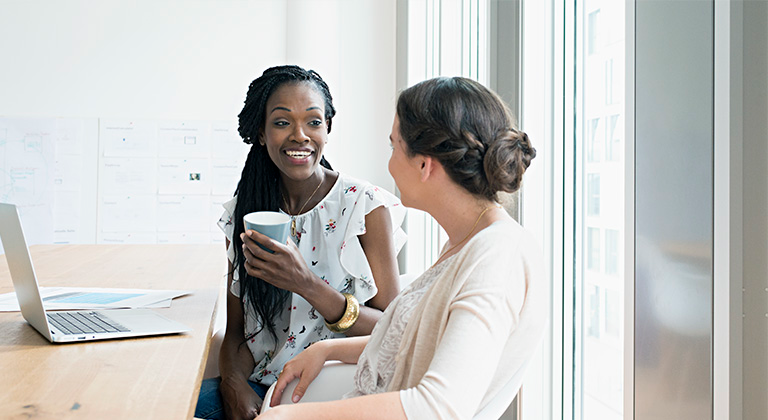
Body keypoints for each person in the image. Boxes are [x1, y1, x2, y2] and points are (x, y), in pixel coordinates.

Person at [261, 76, 546, 420]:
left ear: (424, 165)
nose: (390, 163)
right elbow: (418, 345)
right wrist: (328, 348)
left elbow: (439, 407)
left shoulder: (496, 258)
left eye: (394, 146)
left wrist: (292, 417)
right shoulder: (467, 241)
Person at [194, 65, 406, 420]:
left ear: (328, 129)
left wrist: (304, 283)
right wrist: (233, 386)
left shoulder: (364, 207)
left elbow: (394, 332)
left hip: (338, 391)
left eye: (313, 122)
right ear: (261, 133)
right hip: (264, 386)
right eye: (281, 123)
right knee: (160, 403)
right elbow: (237, 333)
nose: (299, 135)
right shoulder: (243, 214)